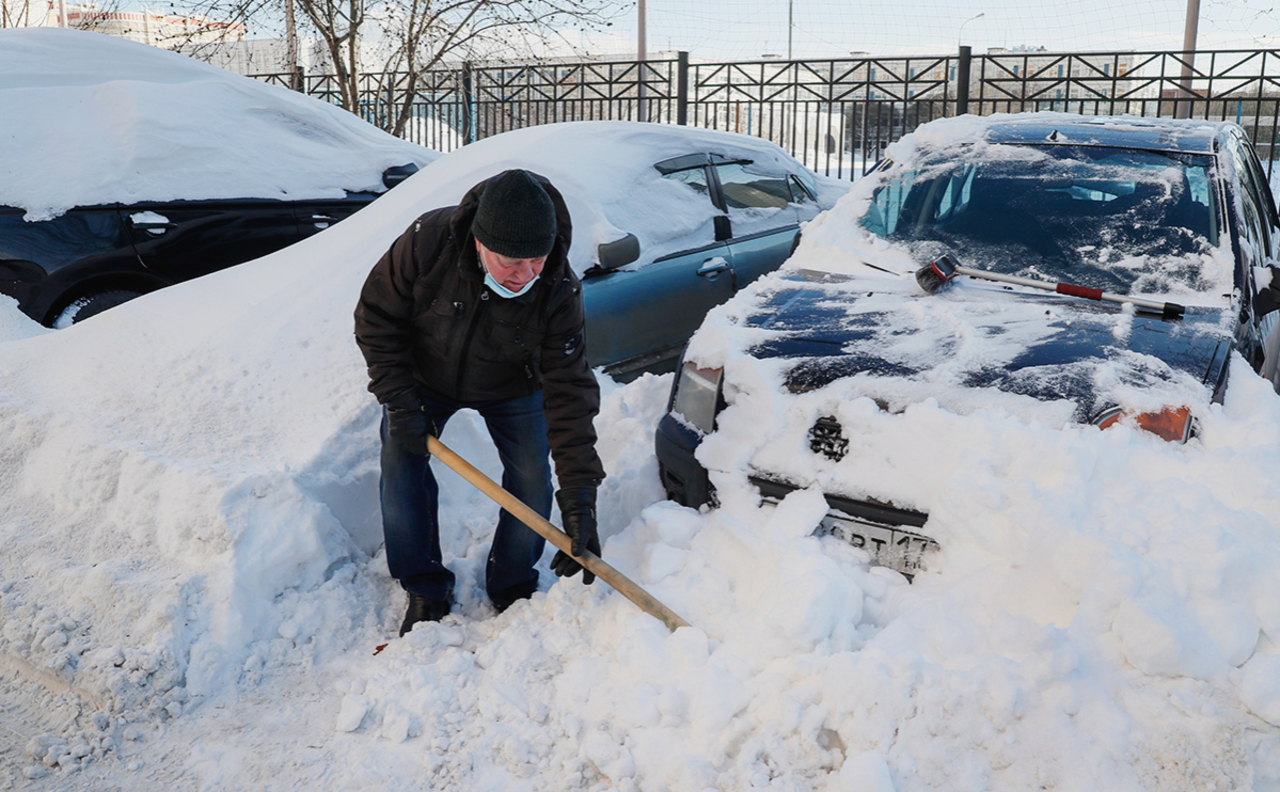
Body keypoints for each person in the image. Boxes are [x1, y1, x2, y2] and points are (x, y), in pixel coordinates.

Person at [354, 168, 605, 636]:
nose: (525, 274)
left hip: (514, 385)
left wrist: (580, 495)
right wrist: (401, 402)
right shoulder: (428, 243)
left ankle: (512, 584)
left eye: (537, 259)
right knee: (401, 463)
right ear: (478, 241)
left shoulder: (557, 288)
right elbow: (377, 319)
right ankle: (424, 586)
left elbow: (569, 389)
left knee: (532, 478)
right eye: (511, 261)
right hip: (424, 379)